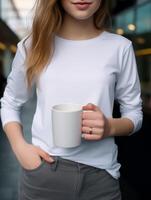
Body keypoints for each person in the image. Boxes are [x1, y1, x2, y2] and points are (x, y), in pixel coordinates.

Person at [0, 0, 143, 199]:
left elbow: (134, 113)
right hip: (44, 173)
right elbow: (10, 102)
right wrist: (20, 148)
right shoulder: (33, 45)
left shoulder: (120, 47)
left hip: (101, 177)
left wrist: (110, 127)